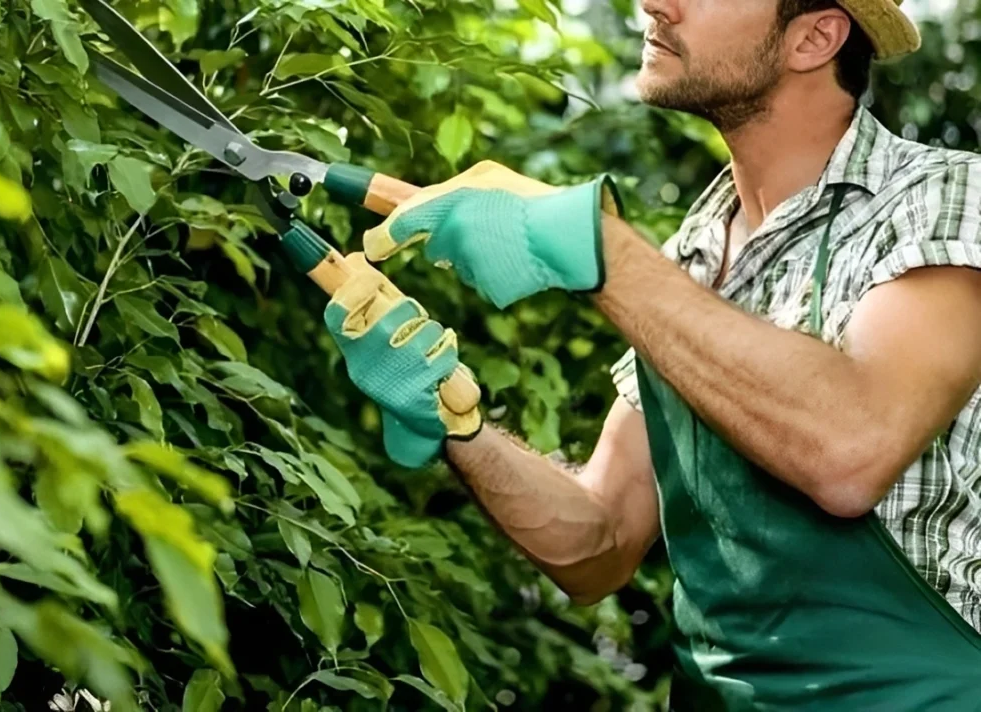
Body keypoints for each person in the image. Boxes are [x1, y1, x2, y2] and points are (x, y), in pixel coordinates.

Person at [323, 0, 981, 708]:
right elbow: (599, 543)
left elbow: (853, 446)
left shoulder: (941, 198)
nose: (654, 4)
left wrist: (602, 247)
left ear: (815, 37)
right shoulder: (692, 257)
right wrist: (452, 418)